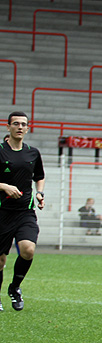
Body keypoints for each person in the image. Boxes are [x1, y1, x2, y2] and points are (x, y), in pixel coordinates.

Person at [0, 111, 45, 312]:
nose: (20, 127)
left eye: (23, 124)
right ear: (8, 126)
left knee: (28, 250)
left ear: (27, 128)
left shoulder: (32, 153)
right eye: (16, 123)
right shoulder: (0, 151)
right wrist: (4, 186)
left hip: (25, 212)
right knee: (0, 261)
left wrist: (40, 193)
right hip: (2, 212)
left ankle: (15, 287)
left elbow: (39, 176)